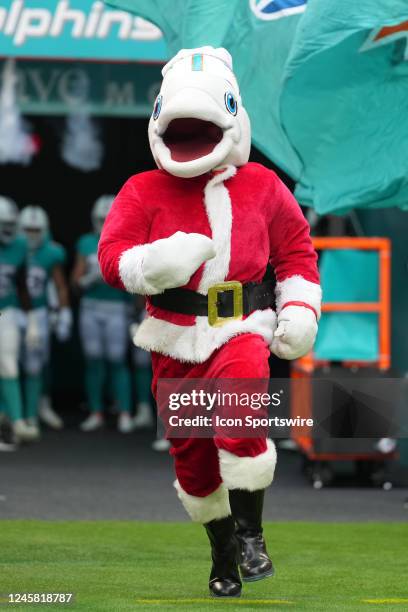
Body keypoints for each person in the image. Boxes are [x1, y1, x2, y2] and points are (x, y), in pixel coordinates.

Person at [98, 47, 321, 598]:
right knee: (193, 462)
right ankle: (222, 550)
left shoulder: (264, 186)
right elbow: (111, 257)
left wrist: (298, 309)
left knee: (242, 411)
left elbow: (296, 252)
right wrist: (154, 264)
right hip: (173, 337)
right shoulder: (140, 190)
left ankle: (251, 536)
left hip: (243, 324)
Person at [72, 195, 133, 434]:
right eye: (101, 219)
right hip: (91, 306)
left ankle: (125, 412)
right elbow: (74, 282)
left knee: (117, 359)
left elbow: (137, 277)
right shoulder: (86, 242)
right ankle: (96, 411)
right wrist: (88, 278)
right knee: (94, 358)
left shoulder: (127, 240)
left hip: (117, 307)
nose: (105, 222)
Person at [18, 206, 72, 434]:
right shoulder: (11, 248)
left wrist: (63, 312)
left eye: (35, 230)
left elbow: (59, 284)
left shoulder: (51, 252)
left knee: (35, 365)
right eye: (27, 230)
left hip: (38, 312)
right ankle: (11, 414)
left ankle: (32, 413)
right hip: (11, 310)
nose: (31, 235)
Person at [0, 196, 40, 442]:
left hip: (7, 310)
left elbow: (22, 285)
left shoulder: (19, 246)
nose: (7, 229)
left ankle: (16, 422)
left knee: (8, 364)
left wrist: (32, 318)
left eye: (10, 224)